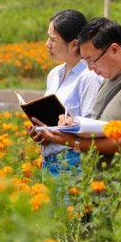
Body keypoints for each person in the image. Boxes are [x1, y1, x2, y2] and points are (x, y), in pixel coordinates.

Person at [38, 17, 121, 166]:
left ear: (114, 49)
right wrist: (72, 125)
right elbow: (102, 126)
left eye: (92, 60)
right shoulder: (111, 76)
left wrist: (75, 142)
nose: (89, 68)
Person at [27, 10, 103, 188]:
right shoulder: (54, 74)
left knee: (68, 216)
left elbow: (92, 129)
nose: (47, 45)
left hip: (73, 163)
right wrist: (41, 133)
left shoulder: (89, 76)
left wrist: (60, 132)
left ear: (74, 44)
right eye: (48, 38)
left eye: (53, 40)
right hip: (49, 161)